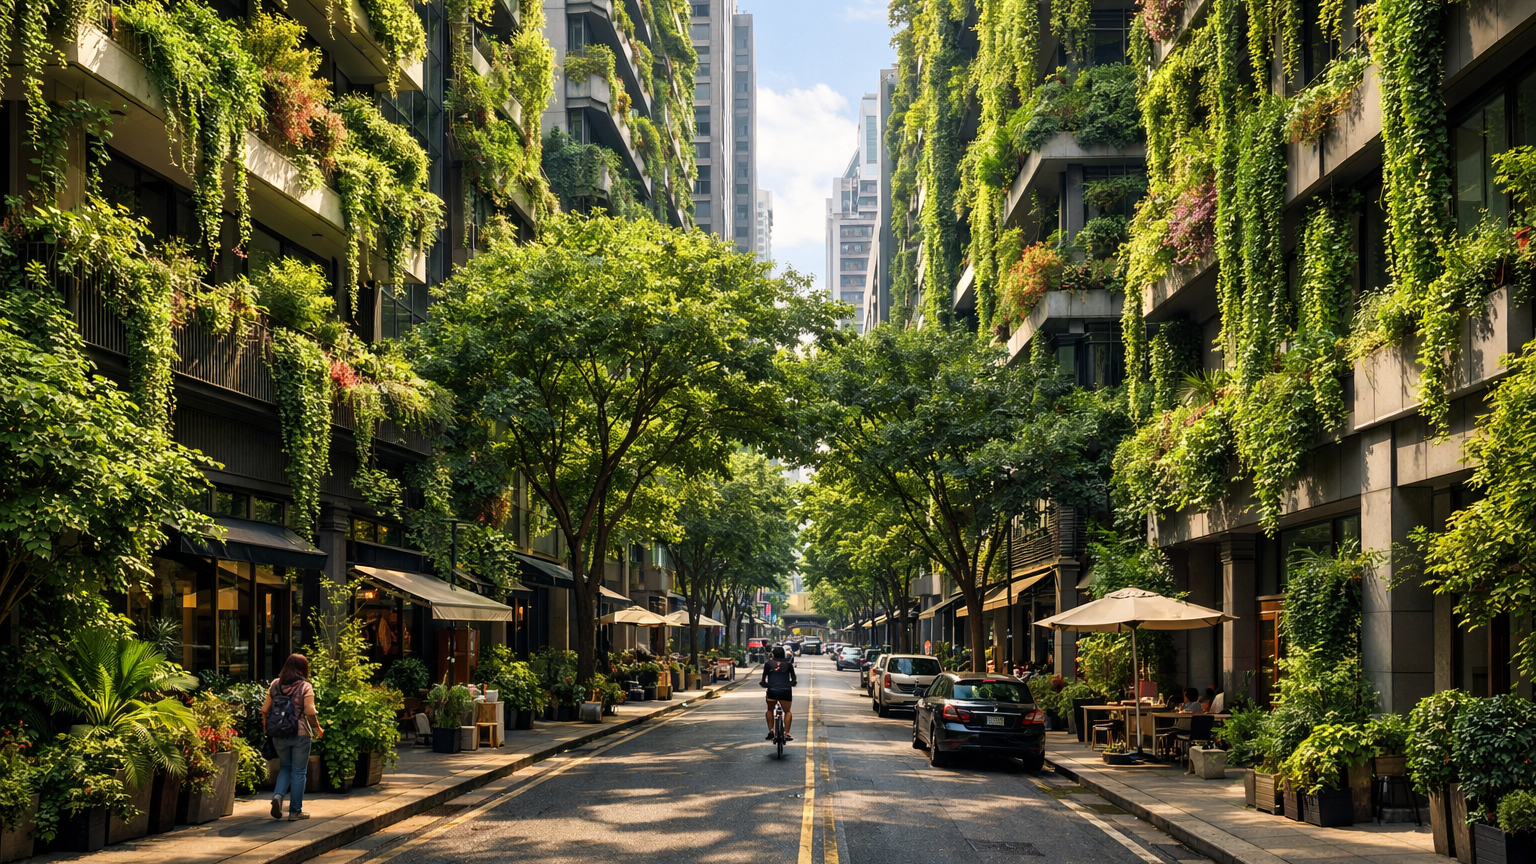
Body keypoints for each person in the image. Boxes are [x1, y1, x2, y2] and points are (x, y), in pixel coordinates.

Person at [261, 653, 325, 821]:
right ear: (303, 669)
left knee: (285, 767)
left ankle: (278, 796)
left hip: (278, 735)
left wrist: (267, 729)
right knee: (299, 772)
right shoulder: (305, 687)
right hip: (300, 734)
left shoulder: (275, 684)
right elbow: (310, 711)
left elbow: (264, 709)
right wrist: (317, 727)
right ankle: (295, 811)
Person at [760, 645, 797, 742]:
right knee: (787, 711)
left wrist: (764, 684)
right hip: (785, 691)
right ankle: (787, 733)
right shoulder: (789, 664)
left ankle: (771, 730)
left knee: (770, 710)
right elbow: (794, 680)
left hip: (772, 690)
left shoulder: (768, 664)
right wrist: (791, 684)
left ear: (773, 655)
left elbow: (763, 680)